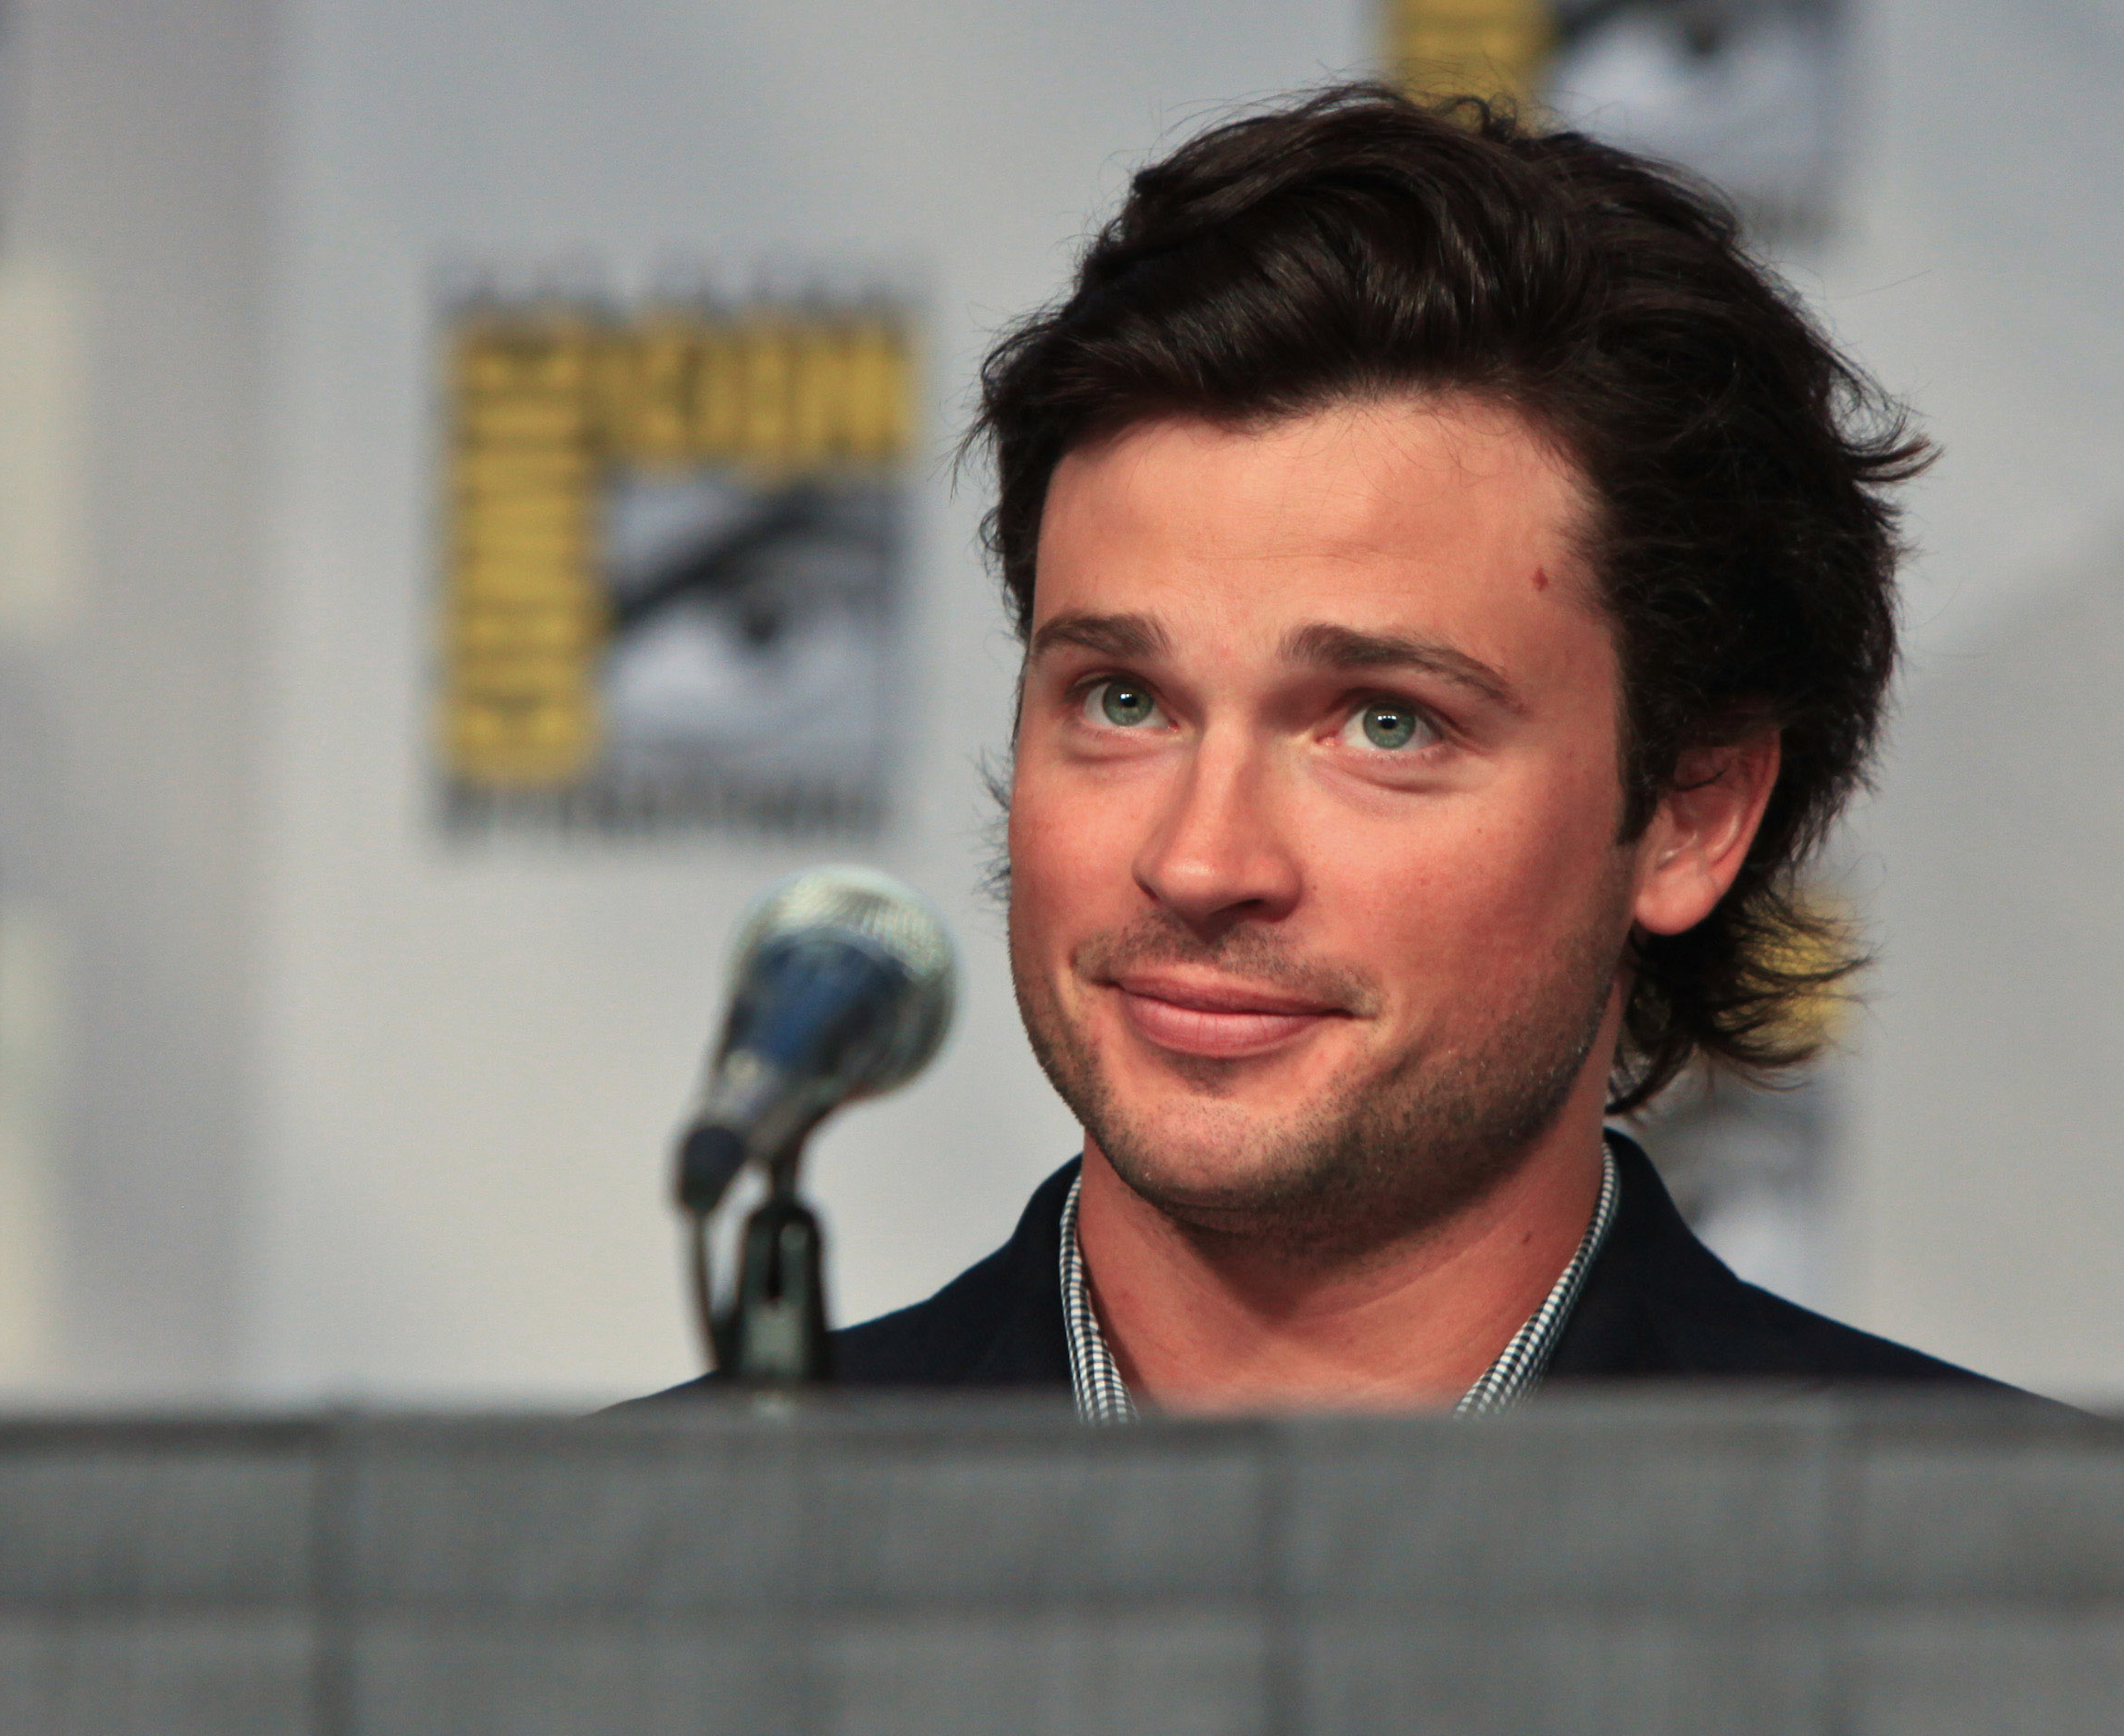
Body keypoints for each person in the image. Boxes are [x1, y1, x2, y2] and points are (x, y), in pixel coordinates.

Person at [829, 84, 2011, 1414]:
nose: (1201, 860)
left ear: (1690, 812)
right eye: (1122, 701)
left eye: (1385, 724)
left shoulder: (2011, 1584)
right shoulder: (654, 1570)